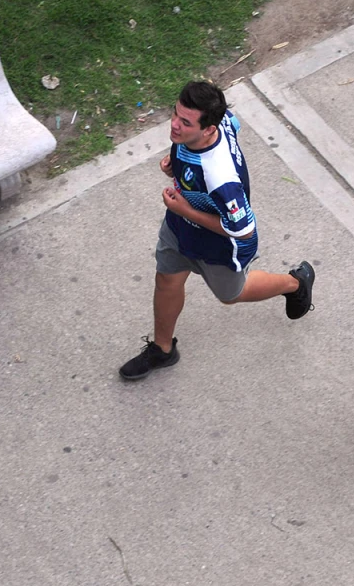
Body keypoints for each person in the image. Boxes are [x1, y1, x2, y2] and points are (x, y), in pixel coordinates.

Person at [119, 81, 316, 380]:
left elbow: (242, 230)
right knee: (166, 280)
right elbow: (232, 122)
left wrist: (184, 209)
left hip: (220, 247)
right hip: (179, 229)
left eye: (185, 123)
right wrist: (176, 164)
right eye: (175, 114)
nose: (174, 125)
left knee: (230, 296)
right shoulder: (220, 119)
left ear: (209, 130)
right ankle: (162, 349)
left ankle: (295, 283)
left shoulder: (221, 178)